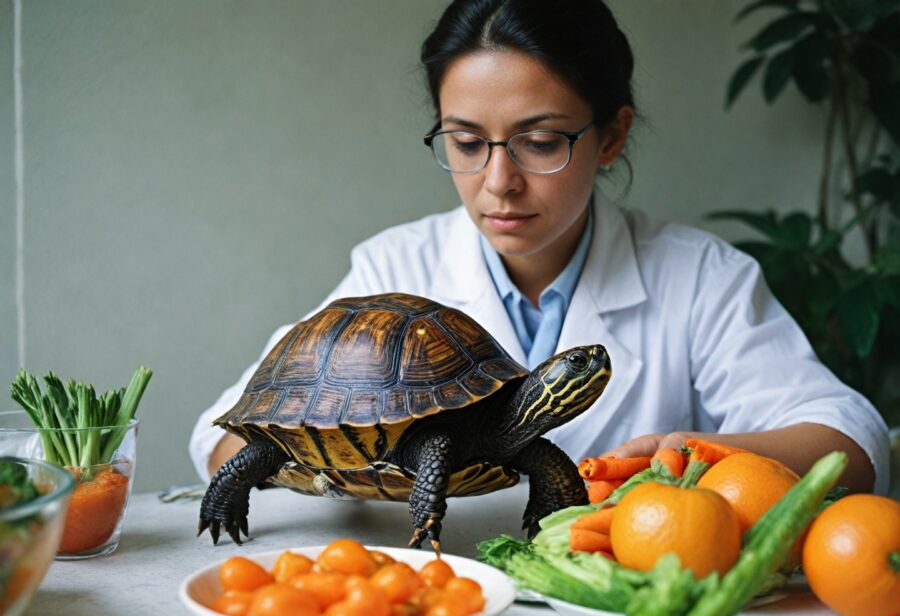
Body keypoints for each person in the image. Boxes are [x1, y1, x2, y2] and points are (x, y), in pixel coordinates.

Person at [190, 0, 888, 495]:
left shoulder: (701, 276)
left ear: (612, 136)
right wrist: (349, 471)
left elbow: (851, 442)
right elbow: (223, 434)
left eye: (541, 141)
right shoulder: (394, 268)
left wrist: (695, 453)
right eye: (465, 142)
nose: (499, 183)